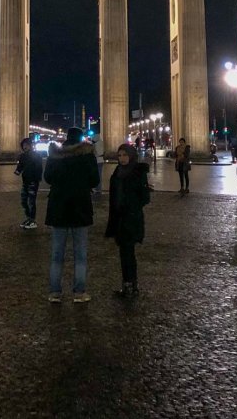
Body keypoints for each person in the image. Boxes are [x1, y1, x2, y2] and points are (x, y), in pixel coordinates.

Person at [44, 127, 101, 303]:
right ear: (80, 139)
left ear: (66, 139)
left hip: (58, 207)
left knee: (57, 253)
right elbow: (95, 180)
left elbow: (47, 178)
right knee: (80, 254)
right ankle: (79, 292)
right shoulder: (87, 155)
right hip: (80, 207)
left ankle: (55, 293)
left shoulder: (55, 155)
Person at [105, 143, 150, 298]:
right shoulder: (118, 171)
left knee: (128, 253)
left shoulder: (138, 172)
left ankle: (131, 285)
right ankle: (128, 284)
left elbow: (145, 198)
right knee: (125, 253)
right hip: (119, 219)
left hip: (131, 218)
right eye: (119, 155)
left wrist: (131, 207)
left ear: (131, 156)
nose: (122, 158)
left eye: (125, 155)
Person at [14, 138, 44, 229]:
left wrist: (37, 179)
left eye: (26, 145)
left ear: (30, 145)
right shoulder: (23, 156)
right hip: (25, 181)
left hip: (33, 181)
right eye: (23, 145)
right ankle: (28, 218)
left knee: (31, 201)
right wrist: (17, 171)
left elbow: (39, 168)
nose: (24, 147)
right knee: (24, 201)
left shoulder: (36, 156)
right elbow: (20, 166)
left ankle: (32, 220)